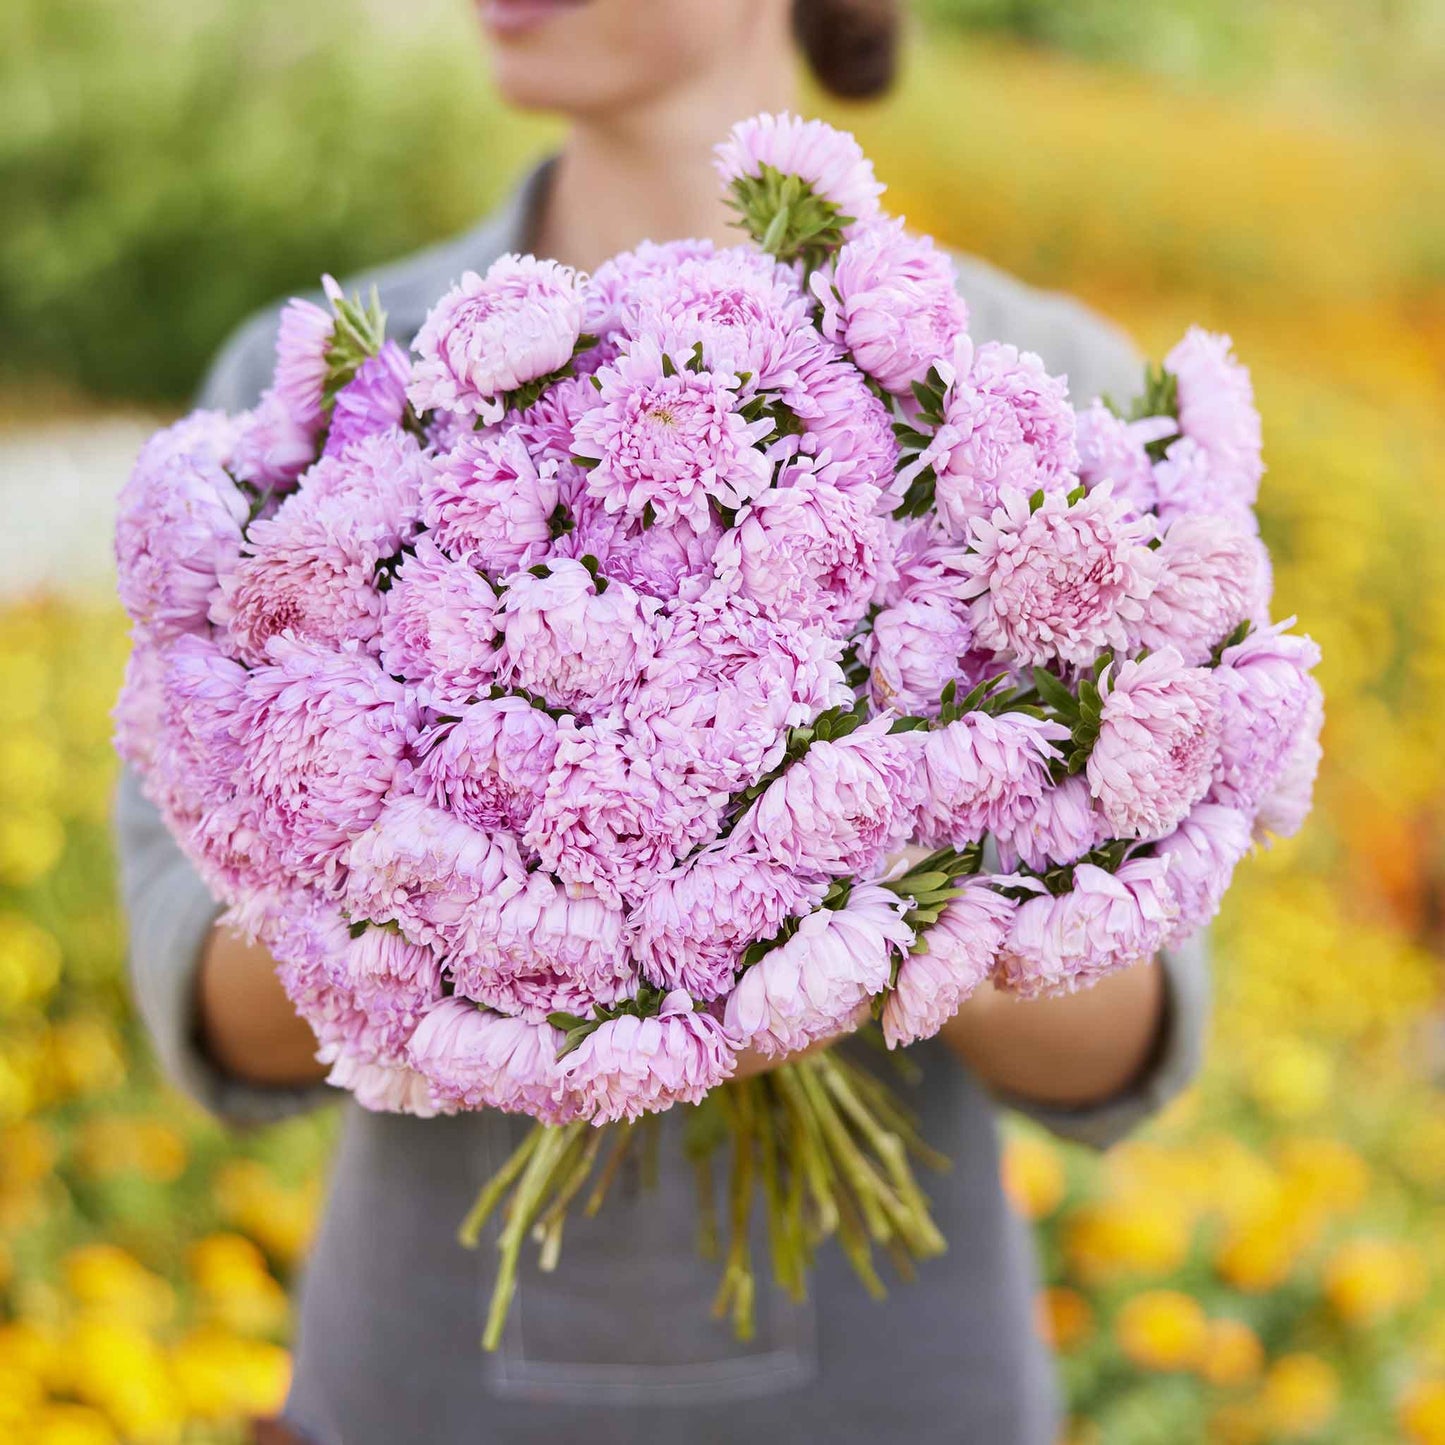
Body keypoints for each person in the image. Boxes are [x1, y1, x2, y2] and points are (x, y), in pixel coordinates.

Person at [116, 2, 1209, 1441]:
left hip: (897, 1394)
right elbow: (203, 995)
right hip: (427, 1381)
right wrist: (471, 890)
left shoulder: (1025, 385)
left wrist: (816, 892)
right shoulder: (321, 389)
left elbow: (1131, 1032)